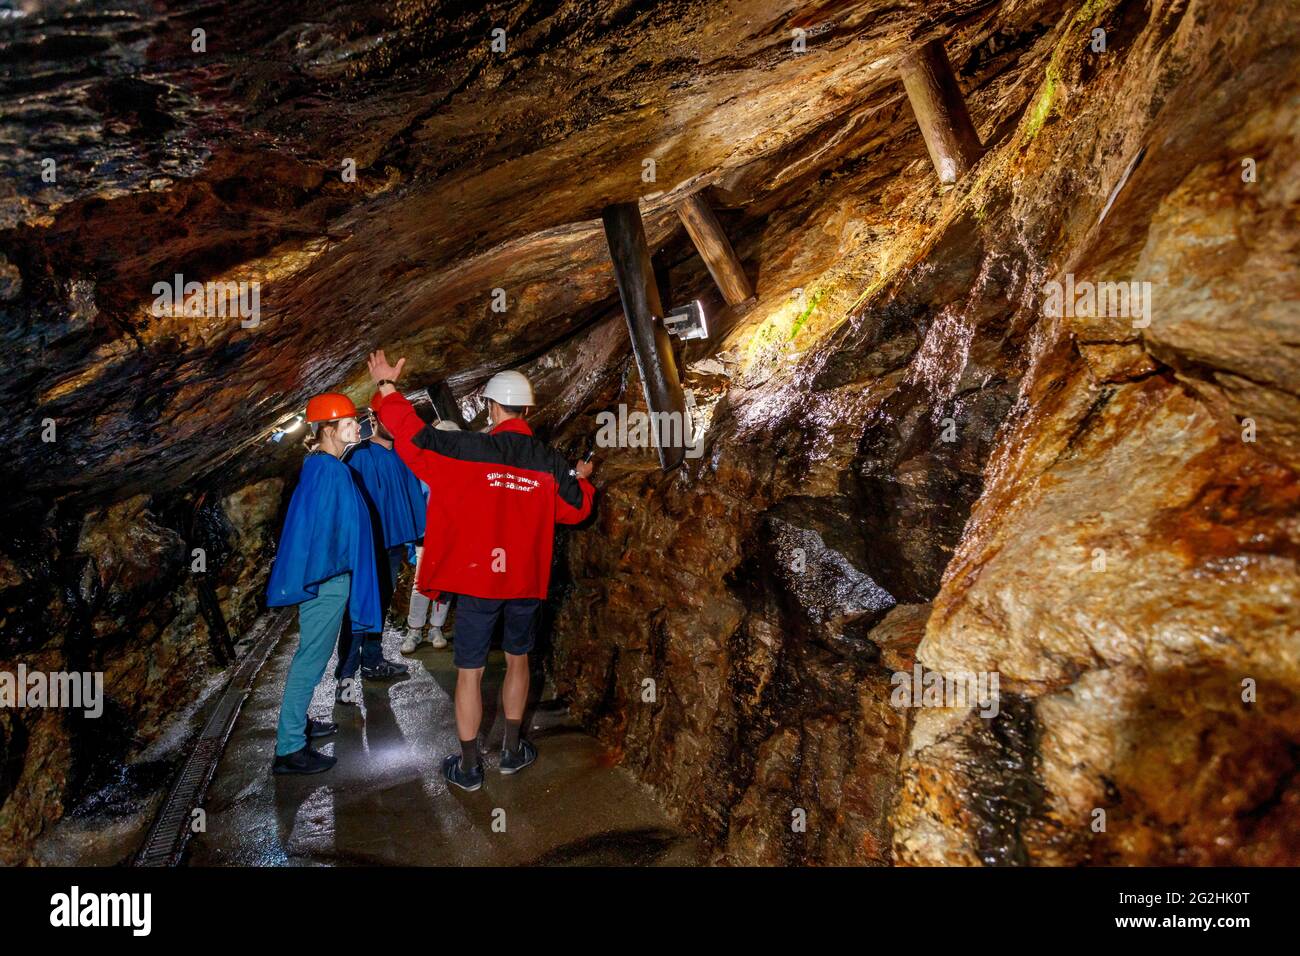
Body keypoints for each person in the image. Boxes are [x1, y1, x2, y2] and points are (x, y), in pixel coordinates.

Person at [366, 350, 594, 791]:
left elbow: (413, 438)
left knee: (468, 670)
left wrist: (387, 389)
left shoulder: (469, 449)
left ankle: (469, 766)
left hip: (478, 581)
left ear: (490, 407)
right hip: (524, 582)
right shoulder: (547, 460)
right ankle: (512, 751)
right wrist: (582, 478)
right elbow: (577, 509)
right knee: (518, 660)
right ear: (527, 410)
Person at [264, 392, 381, 774]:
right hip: (327, 581)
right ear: (329, 430)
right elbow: (332, 534)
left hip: (326, 578)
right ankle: (289, 749)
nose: (356, 426)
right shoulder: (329, 471)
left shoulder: (321, 466)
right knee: (310, 660)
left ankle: (298, 726)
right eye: (348, 422)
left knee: (313, 655)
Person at [331, 410, 424, 702]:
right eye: (387, 420)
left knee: (379, 606)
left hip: (392, 545)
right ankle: (344, 679)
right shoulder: (357, 456)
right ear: (374, 422)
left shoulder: (402, 455)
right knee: (359, 611)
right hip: (366, 550)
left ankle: (373, 661)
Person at [401, 419, 461, 654]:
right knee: (422, 583)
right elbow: (416, 502)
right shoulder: (422, 468)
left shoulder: (460, 468)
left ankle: (436, 628)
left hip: (451, 534)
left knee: (446, 583)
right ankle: (415, 629)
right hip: (427, 534)